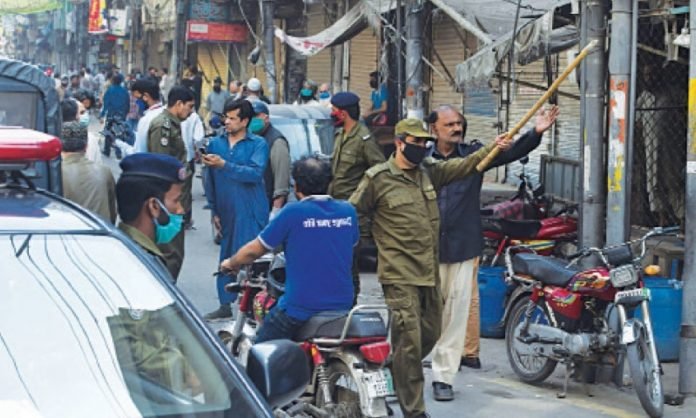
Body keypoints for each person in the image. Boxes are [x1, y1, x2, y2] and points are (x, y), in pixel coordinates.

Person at [349, 118, 510, 418]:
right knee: (410, 341)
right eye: (416, 142)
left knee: (431, 334)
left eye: (425, 142)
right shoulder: (378, 178)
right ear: (399, 143)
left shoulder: (429, 172)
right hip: (399, 274)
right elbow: (353, 213)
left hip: (428, 271)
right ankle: (414, 410)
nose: (422, 147)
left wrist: (494, 147)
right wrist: (374, 239)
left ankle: (396, 367)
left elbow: (466, 166)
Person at [427, 105, 560, 402]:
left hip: (462, 246)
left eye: (459, 123)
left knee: (456, 313)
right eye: (449, 124)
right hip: (426, 247)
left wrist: (536, 132)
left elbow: (510, 153)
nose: (456, 128)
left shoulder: (476, 155)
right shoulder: (421, 159)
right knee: (425, 313)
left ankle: (443, 376)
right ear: (433, 129)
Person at [220, 156, 356, 341]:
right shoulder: (348, 211)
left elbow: (254, 250)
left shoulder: (292, 212)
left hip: (300, 308)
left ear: (296, 186)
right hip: (343, 306)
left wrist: (231, 262)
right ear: (329, 183)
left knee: (261, 349)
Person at [202, 98, 269, 320]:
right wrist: (214, 209)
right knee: (227, 255)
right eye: (226, 118)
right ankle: (224, 304)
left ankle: (252, 307)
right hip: (226, 209)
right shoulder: (216, 144)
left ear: (245, 121)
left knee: (250, 258)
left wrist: (225, 165)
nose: (227, 122)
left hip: (250, 209)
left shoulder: (258, 144)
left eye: (232, 118)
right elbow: (209, 179)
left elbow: (255, 174)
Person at [328, 92, 385, 303]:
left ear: (343, 113)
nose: (331, 114)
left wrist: (364, 197)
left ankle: (350, 303)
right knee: (336, 262)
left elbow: (379, 171)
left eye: (334, 111)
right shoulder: (340, 135)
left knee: (349, 263)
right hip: (335, 209)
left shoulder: (363, 139)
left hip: (354, 213)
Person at [147, 86, 196, 281]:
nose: (190, 112)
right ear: (179, 104)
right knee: (170, 254)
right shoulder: (163, 126)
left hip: (176, 199)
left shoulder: (173, 125)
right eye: (189, 107)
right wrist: (169, 204)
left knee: (175, 253)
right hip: (168, 201)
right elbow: (161, 166)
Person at [116, 152, 186, 273]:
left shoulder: (119, 246)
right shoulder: (141, 264)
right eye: (176, 201)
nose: (181, 210)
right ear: (154, 206)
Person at [60, 121, 116, 223]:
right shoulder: (104, 172)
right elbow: (112, 213)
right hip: (100, 231)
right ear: (86, 146)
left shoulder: (56, 174)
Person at [249, 100, 291, 216]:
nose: (252, 120)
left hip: (267, 207)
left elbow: (281, 181)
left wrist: (275, 211)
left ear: (266, 118)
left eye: (256, 116)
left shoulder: (276, 141)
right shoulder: (251, 138)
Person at [181, 110, 205, 228]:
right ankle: (186, 219)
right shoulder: (193, 116)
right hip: (187, 158)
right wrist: (199, 150)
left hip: (172, 158)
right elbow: (199, 138)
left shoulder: (163, 114)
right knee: (186, 191)